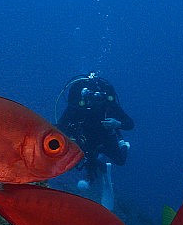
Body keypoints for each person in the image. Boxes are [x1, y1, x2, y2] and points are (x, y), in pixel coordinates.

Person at [56, 73, 133, 208]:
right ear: (83, 95)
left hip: (105, 137)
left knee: (120, 161)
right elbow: (61, 127)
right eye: (90, 96)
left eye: (98, 96)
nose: (94, 100)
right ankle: (97, 170)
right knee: (81, 163)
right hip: (84, 140)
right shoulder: (76, 107)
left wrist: (117, 124)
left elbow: (130, 123)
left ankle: (123, 145)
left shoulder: (109, 105)